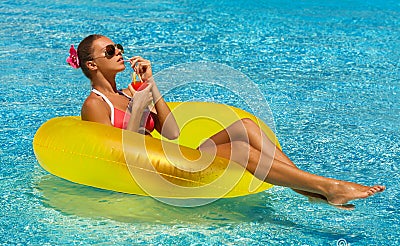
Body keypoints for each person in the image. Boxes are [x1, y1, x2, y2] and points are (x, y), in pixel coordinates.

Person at [70, 34, 385, 208]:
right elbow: (115, 156)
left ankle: (308, 187)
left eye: (119, 47)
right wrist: (139, 109)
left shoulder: (130, 91)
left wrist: (152, 88)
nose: (119, 53)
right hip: (154, 173)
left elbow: (172, 132)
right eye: (110, 50)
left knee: (246, 129)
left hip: (171, 157)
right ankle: (328, 187)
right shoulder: (95, 105)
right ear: (91, 64)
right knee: (244, 153)